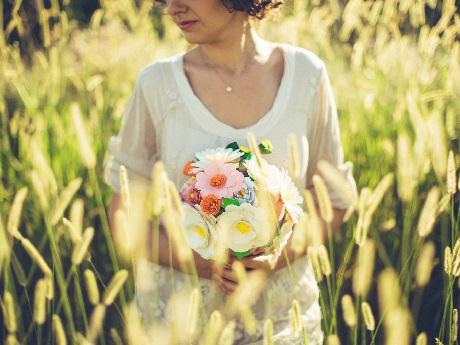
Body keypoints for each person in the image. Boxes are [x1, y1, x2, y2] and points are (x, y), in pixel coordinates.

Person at [104, 0, 357, 343]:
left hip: (280, 324)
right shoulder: (156, 85)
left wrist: (275, 260)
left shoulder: (306, 76)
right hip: (180, 325)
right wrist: (203, 266)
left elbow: (334, 198)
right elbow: (124, 218)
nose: (173, 7)